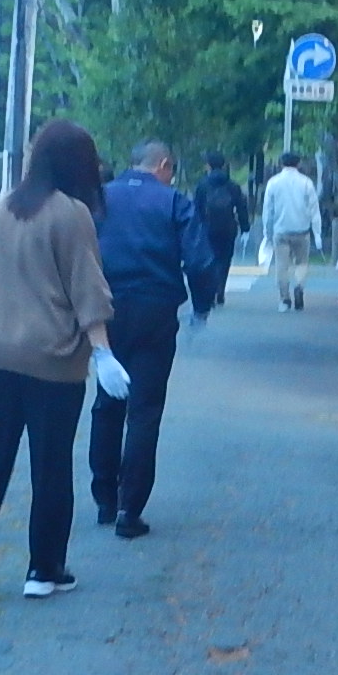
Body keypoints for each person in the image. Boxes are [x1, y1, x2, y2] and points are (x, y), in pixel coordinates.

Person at [0, 119, 129, 603]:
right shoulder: (71, 214)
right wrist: (103, 352)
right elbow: (87, 289)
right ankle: (44, 569)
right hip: (53, 361)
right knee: (50, 465)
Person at [92, 140, 219, 540]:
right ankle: (131, 509)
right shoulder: (174, 202)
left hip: (105, 310)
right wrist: (201, 306)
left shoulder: (100, 199)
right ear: (163, 165)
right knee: (144, 410)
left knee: (107, 403)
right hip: (155, 310)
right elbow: (199, 261)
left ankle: (105, 500)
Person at [263, 151, 321, 311]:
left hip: (281, 231)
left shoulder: (273, 183)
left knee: (282, 266)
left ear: (281, 163)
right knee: (301, 264)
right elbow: (314, 209)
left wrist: (267, 232)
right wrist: (317, 233)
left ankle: (284, 298)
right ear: (299, 163)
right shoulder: (306, 183)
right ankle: (299, 288)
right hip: (302, 231)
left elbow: (268, 210)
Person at [191, 151, 251, 305]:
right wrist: (245, 227)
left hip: (207, 228)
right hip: (228, 228)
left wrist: (194, 229)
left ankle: (210, 292)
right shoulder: (232, 186)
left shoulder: (202, 185)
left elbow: (196, 208)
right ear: (224, 165)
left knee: (209, 260)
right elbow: (241, 207)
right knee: (224, 260)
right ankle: (220, 290)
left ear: (208, 165)